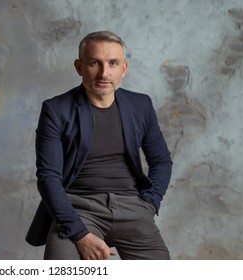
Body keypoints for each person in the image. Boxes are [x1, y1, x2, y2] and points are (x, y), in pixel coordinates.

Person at [25, 31, 172, 260]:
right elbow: (48, 177)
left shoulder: (140, 105)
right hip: (78, 209)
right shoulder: (56, 110)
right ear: (79, 67)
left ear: (123, 69)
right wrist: (80, 234)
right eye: (95, 63)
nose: (105, 73)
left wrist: (150, 203)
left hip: (133, 208)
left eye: (113, 63)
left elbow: (161, 160)